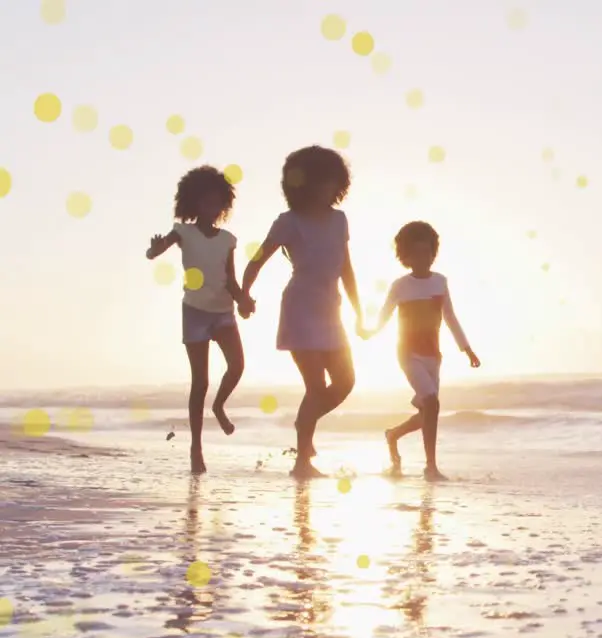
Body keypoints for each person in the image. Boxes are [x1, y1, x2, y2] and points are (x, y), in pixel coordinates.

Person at [240, 145, 362, 478]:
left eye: (332, 182)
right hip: (300, 310)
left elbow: (346, 269)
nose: (327, 189)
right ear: (303, 185)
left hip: (331, 313)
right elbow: (258, 259)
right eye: (319, 182)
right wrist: (244, 295)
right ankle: (302, 462)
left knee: (346, 381)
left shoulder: (339, 220)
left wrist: (359, 312)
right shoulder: (289, 222)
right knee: (315, 387)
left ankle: (303, 424)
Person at [145, 165, 253, 474]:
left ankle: (219, 406)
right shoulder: (183, 232)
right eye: (206, 201)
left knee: (237, 366)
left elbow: (230, 280)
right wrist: (153, 250)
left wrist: (243, 299)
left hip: (223, 313)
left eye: (218, 202)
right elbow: (157, 249)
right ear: (194, 204)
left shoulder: (228, 239)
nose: (212, 207)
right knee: (200, 381)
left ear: (224, 206)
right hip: (194, 313)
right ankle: (196, 449)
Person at [358, 221, 480, 479]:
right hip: (408, 353)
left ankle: (393, 435)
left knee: (428, 411)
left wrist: (467, 349)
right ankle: (431, 467)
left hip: (433, 356)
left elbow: (450, 317)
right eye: (416, 254)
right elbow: (384, 316)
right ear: (406, 256)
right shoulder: (400, 286)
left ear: (433, 253)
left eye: (427, 253)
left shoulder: (440, 283)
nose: (422, 259)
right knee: (432, 402)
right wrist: (369, 332)